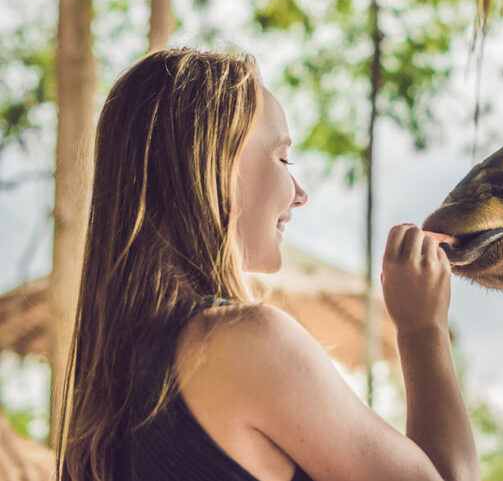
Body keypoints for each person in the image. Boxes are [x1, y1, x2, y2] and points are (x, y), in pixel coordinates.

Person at [55, 48, 480, 481]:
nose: (299, 192)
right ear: (216, 164)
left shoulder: (107, 385)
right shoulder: (242, 343)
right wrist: (422, 329)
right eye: (283, 159)